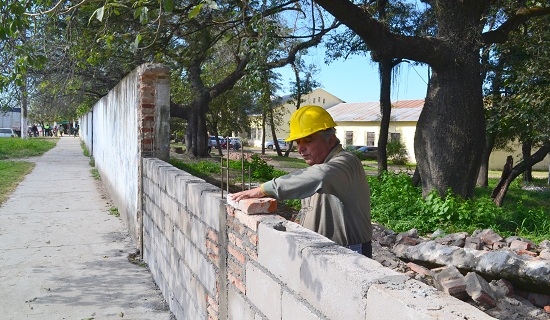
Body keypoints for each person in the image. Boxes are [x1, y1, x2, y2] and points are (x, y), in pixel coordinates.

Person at [230, 105, 373, 258]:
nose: (300, 149)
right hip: (323, 251)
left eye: (308, 141)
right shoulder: (319, 166)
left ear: (330, 140)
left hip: (349, 253)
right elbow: (310, 207)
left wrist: (263, 189)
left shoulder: (345, 162)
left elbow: (321, 176)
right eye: (298, 143)